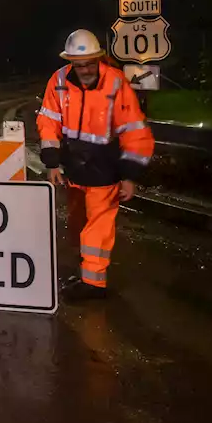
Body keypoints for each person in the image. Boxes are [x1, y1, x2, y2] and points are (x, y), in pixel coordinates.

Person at [37, 29, 154, 300]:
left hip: (105, 168)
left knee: (97, 226)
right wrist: (52, 163)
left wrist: (129, 175)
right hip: (74, 167)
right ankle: (84, 272)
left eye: (89, 63)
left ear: (98, 59)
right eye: (79, 65)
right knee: (78, 222)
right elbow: (48, 122)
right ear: (71, 64)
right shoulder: (59, 81)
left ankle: (93, 282)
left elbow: (134, 130)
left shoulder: (115, 83)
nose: (85, 70)